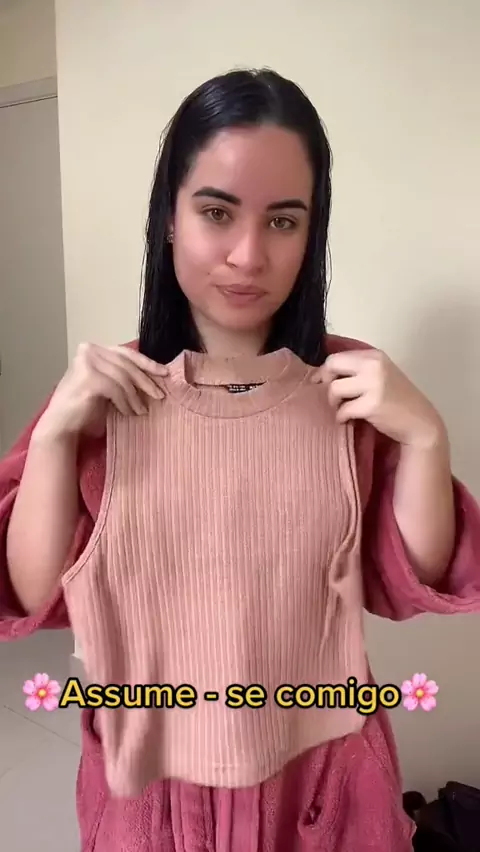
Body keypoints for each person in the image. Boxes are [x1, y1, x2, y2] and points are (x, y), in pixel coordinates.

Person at [1, 67, 480, 852]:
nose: (248, 255)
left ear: (311, 233)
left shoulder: (351, 391)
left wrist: (426, 436)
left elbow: (412, 574)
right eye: (217, 212)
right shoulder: (102, 398)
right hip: (156, 789)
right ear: (169, 217)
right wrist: (55, 437)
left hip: (322, 779)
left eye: (283, 221)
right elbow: (30, 592)